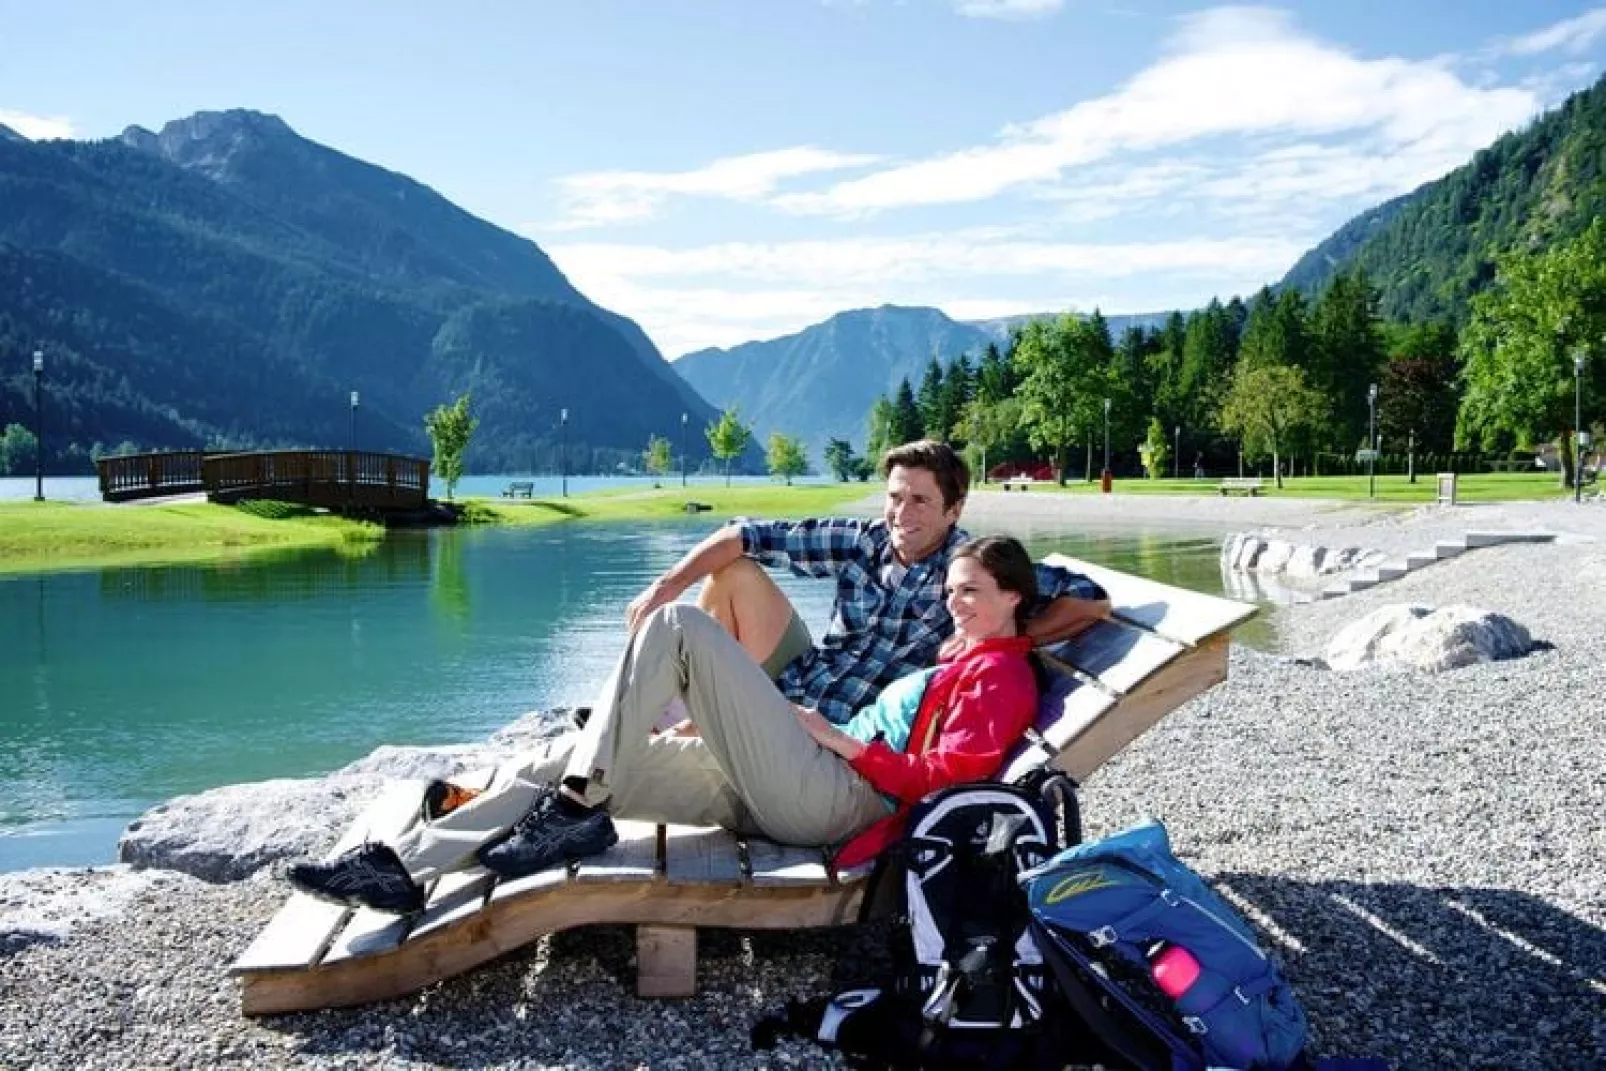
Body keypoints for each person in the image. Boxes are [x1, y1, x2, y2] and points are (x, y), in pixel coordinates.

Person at [289, 536, 1046, 913]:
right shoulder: (966, 655)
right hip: (789, 781)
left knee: (680, 625)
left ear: (1014, 596)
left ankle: (581, 809)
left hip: (840, 797)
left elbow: (960, 778)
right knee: (566, 752)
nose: (954, 602)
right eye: (951, 590)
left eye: (971, 591)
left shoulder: (1002, 674)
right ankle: (403, 866)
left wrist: (844, 740)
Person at [631, 439, 1108, 725]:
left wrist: (999, 639)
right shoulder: (861, 541)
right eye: (896, 496)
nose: (902, 514)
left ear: (955, 509)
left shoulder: (971, 569)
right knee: (734, 569)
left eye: (921, 500)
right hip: (798, 679)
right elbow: (742, 534)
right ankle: (693, 707)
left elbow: (1091, 601)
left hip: (841, 726)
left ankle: (687, 714)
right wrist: (664, 587)